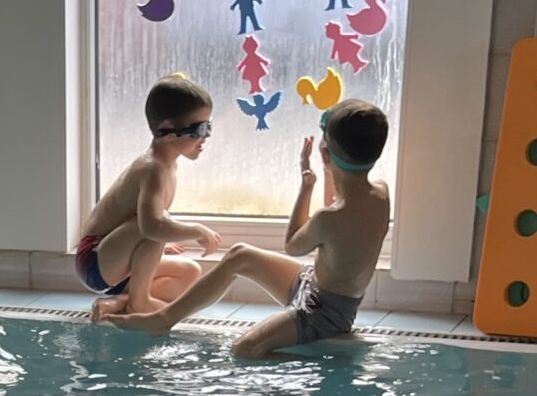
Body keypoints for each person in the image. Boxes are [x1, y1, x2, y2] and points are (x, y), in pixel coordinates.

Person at [110, 96, 392, 357]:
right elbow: (338, 205)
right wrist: (328, 168)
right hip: (314, 286)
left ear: (325, 156)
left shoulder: (328, 220)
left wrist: (306, 185)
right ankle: (164, 318)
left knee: (244, 349)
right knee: (239, 255)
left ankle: (311, 361)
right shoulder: (381, 193)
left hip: (323, 315)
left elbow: (293, 245)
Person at [75, 77, 224, 320]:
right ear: (169, 131)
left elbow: (145, 227)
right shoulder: (152, 168)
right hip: (95, 260)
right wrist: (196, 230)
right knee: (159, 223)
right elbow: (152, 226)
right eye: (199, 129)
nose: (207, 135)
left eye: (210, 126)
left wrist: (154, 245)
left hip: (114, 261)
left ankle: (119, 302)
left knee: (190, 272)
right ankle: (139, 301)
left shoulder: (167, 165)